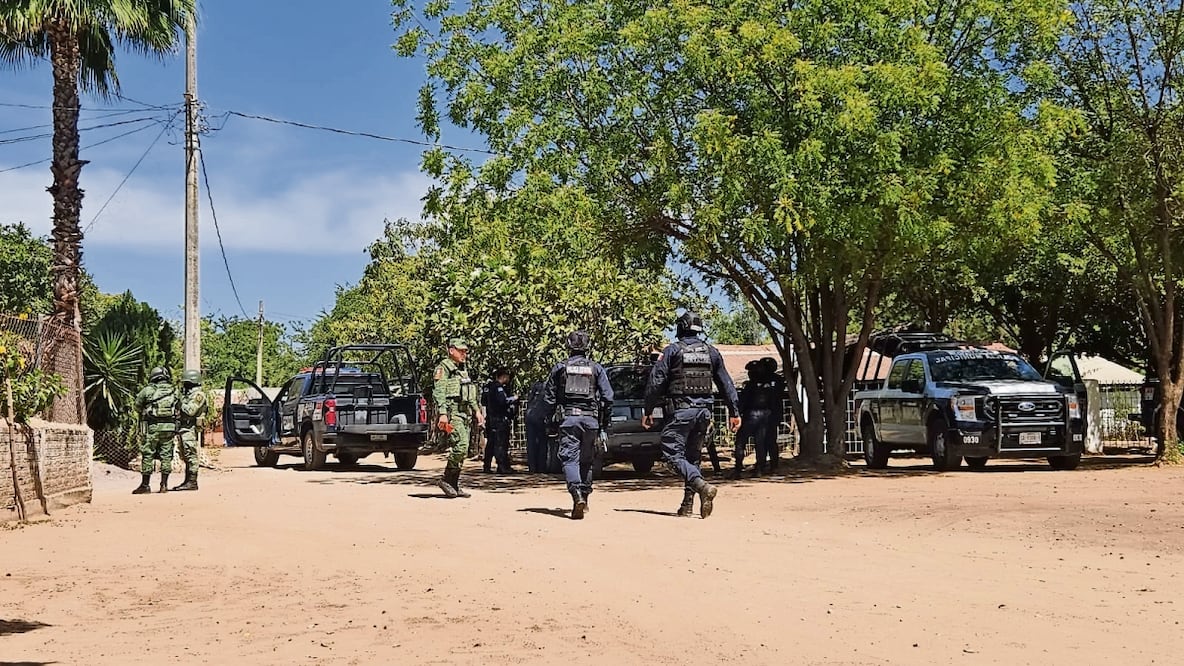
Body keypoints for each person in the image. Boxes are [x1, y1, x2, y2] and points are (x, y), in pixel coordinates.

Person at [643, 312, 740, 518]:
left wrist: (648, 409)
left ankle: (701, 486)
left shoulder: (672, 351)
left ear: (680, 327)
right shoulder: (711, 352)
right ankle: (687, 506)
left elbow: (656, 382)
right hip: (704, 413)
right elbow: (726, 384)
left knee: (671, 455)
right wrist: (734, 412)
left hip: (680, 411)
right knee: (692, 458)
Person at [543, 330, 614, 520]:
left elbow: (548, 398)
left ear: (568, 345)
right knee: (587, 460)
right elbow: (608, 398)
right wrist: (603, 425)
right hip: (591, 421)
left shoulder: (560, 368)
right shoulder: (596, 368)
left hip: (569, 421)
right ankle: (586, 498)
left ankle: (576, 495)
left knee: (569, 459)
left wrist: (549, 422)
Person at [433, 339, 485, 498]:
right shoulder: (444, 368)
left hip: (465, 413)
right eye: (461, 351)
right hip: (452, 412)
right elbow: (439, 392)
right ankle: (446, 479)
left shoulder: (462, 369)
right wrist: (442, 413)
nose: (464, 354)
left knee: (464, 448)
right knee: (460, 445)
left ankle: (454, 483)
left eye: (466, 351)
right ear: (451, 350)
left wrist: (476, 410)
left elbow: (469, 393)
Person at [730, 358, 780, 478]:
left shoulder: (751, 385)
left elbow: (742, 402)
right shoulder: (776, 383)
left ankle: (738, 469)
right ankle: (761, 469)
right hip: (766, 416)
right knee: (761, 443)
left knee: (741, 442)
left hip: (750, 416)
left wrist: (737, 414)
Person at [132, 366, 178, 495]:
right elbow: (179, 406)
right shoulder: (174, 390)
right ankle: (164, 485)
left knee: (148, 454)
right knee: (166, 455)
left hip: (152, 427)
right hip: (169, 427)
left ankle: (145, 485)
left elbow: (137, 406)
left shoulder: (147, 390)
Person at [172, 369, 207, 491]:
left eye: (186, 383)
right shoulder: (187, 395)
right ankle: (187, 481)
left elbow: (190, 411)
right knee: (185, 455)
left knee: (191, 454)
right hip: (183, 427)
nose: (184, 385)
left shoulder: (199, 395)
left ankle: (192, 482)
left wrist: (180, 401)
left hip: (190, 428)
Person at [482, 367, 517, 473]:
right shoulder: (498, 387)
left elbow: (484, 401)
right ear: (504, 376)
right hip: (500, 419)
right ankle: (502, 467)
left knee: (491, 443)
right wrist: (513, 399)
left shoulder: (489, 387)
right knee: (501, 443)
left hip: (491, 418)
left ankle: (487, 466)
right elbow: (503, 401)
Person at [523, 380, 548, 473]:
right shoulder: (548, 387)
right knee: (542, 443)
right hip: (540, 417)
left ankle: (532, 467)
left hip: (530, 415)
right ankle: (541, 468)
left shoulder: (535, 386)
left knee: (531, 442)